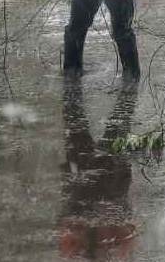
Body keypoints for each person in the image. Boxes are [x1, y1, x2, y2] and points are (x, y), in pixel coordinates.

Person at [57, 78, 139, 259]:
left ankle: (73, 77)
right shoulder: (116, 251)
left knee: (75, 117)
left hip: (88, 181)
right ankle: (130, 80)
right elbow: (129, 230)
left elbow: (65, 226)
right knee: (118, 122)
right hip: (107, 182)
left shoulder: (74, 252)